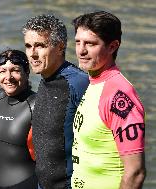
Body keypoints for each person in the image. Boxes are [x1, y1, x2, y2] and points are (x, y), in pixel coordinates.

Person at [71, 11, 146, 189]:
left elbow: (135, 173)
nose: (81, 50)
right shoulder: (94, 83)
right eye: (78, 42)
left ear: (112, 47)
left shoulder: (119, 95)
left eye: (90, 44)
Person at [22, 14, 89, 189]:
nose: (32, 54)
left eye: (40, 46)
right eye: (28, 46)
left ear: (60, 47)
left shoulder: (78, 82)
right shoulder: (46, 77)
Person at [0, 49, 38, 189]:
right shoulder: (0, 96)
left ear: (27, 72)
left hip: (25, 183)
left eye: (15, 70)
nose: (8, 77)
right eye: (2, 71)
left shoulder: (36, 104)